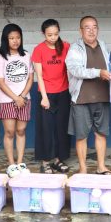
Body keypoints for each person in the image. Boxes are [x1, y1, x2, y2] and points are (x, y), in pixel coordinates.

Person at [67, 16, 111, 175]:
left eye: (94, 27)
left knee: (101, 133)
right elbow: (75, 70)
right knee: (81, 136)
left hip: (102, 96)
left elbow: (110, 67)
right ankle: (83, 169)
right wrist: (98, 72)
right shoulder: (75, 48)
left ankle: (101, 167)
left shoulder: (103, 45)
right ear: (81, 30)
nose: (91, 30)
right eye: (87, 27)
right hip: (81, 98)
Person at [0, 23, 34, 178]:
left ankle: (20, 163)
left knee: (21, 131)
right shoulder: (0, 58)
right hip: (7, 100)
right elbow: (0, 81)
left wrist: (22, 96)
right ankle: (11, 164)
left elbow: (31, 78)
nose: (15, 41)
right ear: (6, 39)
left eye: (18, 37)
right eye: (11, 38)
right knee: (10, 132)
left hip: (24, 99)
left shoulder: (26, 55)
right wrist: (15, 98)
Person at [32, 19, 71, 174]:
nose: (53, 37)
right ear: (43, 34)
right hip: (46, 93)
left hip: (63, 92)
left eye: (55, 34)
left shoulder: (66, 46)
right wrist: (44, 97)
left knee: (61, 127)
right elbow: (39, 76)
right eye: (49, 35)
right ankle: (45, 161)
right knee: (46, 128)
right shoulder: (39, 50)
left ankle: (58, 160)